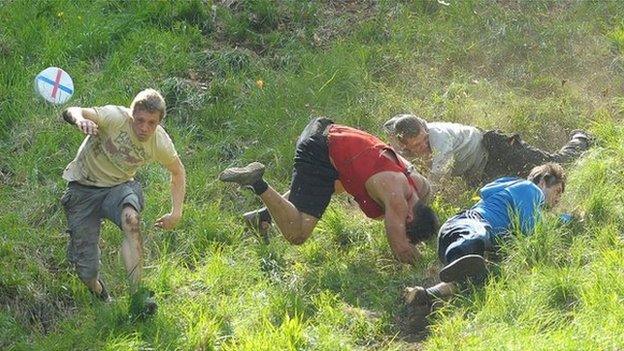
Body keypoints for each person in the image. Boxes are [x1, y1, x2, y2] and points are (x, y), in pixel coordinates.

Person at [219, 117, 438, 264]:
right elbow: (400, 249)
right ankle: (257, 182)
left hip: (331, 136)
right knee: (297, 233)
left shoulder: (419, 185)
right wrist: (428, 266)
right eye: (405, 226)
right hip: (319, 150)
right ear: (409, 216)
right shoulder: (397, 200)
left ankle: (262, 217)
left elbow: (427, 190)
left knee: (340, 187)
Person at [60, 89, 186, 315]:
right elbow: (71, 110)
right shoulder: (114, 117)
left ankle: (139, 297)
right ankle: (100, 294)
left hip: (119, 187)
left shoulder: (160, 143)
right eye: (140, 120)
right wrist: (81, 121)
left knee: (131, 220)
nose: (144, 128)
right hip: (82, 189)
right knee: (86, 272)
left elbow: (178, 172)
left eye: (151, 123)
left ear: (158, 123)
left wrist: (176, 212)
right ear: (131, 115)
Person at [404, 162, 566, 307]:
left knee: (476, 279)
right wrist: (565, 220)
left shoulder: (518, 199)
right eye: (557, 191)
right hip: (469, 224)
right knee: (476, 238)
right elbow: (532, 228)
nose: (558, 199)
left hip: (453, 235)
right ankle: (460, 258)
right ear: (543, 182)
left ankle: (423, 295)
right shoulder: (530, 189)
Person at [383, 114, 590, 186]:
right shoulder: (403, 148)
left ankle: (582, 139)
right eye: (416, 145)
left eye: (424, 140)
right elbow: (390, 128)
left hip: (496, 149)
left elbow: (438, 178)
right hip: (482, 173)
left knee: (553, 167)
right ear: (405, 144)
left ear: (425, 129)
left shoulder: (439, 137)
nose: (423, 146)